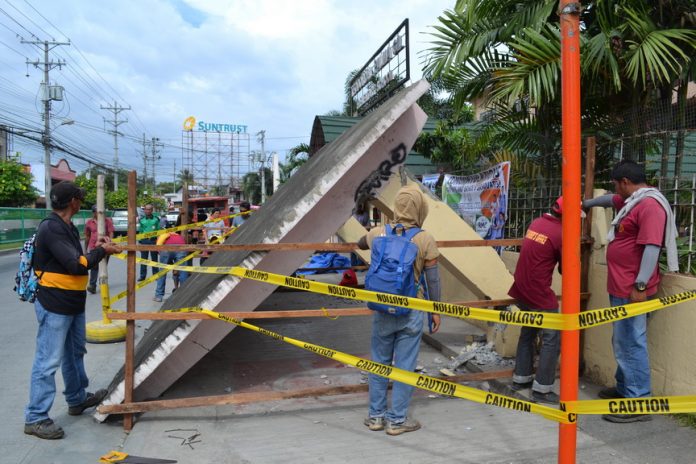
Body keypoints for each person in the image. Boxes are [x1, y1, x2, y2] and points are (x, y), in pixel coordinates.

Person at [24, 181, 121, 439]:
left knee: (75, 352)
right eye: (79, 198)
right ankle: (35, 417)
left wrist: (98, 248)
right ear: (73, 202)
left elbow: (74, 260)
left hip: (72, 303)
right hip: (55, 304)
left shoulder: (65, 226)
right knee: (48, 361)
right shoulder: (52, 228)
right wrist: (102, 250)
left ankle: (77, 398)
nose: (81, 202)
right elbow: (77, 265)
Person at [583, 160, 678, 423]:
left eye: (616, 183)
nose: (615, 189)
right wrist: (587, 204)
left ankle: (637, 401)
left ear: (625, 181)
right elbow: (610, 201)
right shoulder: (632, 201)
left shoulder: (649, 206)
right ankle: (625, 388)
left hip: (632, 289)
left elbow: (651, 247)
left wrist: (640, 285)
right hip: (621, 287)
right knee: (622, 340)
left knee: (631, 342)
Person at [357, 184, 441, 436]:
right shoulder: (425, 239)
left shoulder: (379, 233)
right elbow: (433, 280)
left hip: (382, 308)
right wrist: (435, 312)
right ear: (419, 208)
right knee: (404, 366)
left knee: (379, 362)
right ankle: (396, 421)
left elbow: (360, 243)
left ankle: (375, 417)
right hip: (411, 310)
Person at [508, 198, 563, 404]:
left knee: (528, 332)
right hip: (538, 291)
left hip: (521, 288)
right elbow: (566, 269)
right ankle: (542, 389)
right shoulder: (560, 233)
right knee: (552, 338)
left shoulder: (537, 223)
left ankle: (521, 378)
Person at [84, 204, 114, 294]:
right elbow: (87, 236)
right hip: (93, 247)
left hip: (105, 247)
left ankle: (103, 283)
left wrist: (110, 243)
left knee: (103, 266)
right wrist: (85, 249)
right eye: (98, 212)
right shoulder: (89, 223)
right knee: (94, 266)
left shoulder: (107, 221)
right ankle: (92, 285)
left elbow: (111, 232)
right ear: (94, 213)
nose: (101, 214)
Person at [153, 229, 190, 302]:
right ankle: (184, 295)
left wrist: (163, 257)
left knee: (162, 272)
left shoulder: (162, 235)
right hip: (181, 248)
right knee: (183, 271)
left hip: (167, 248)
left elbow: (158, 247)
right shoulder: (178, 236)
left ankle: (159, 296)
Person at [138, 204, 160, 282]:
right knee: (144, 259)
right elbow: (140, 231)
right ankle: (142, 276)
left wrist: (158, 242)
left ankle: (155, 275)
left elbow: (159, 231)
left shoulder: (156, 219)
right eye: (146, 209)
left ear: (152, 210)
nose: (147, 211)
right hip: (144, 241)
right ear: (144, 210)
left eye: (149, 209)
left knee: (154, 259)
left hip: (153, 241)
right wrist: (140, 242)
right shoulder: (141, 220)